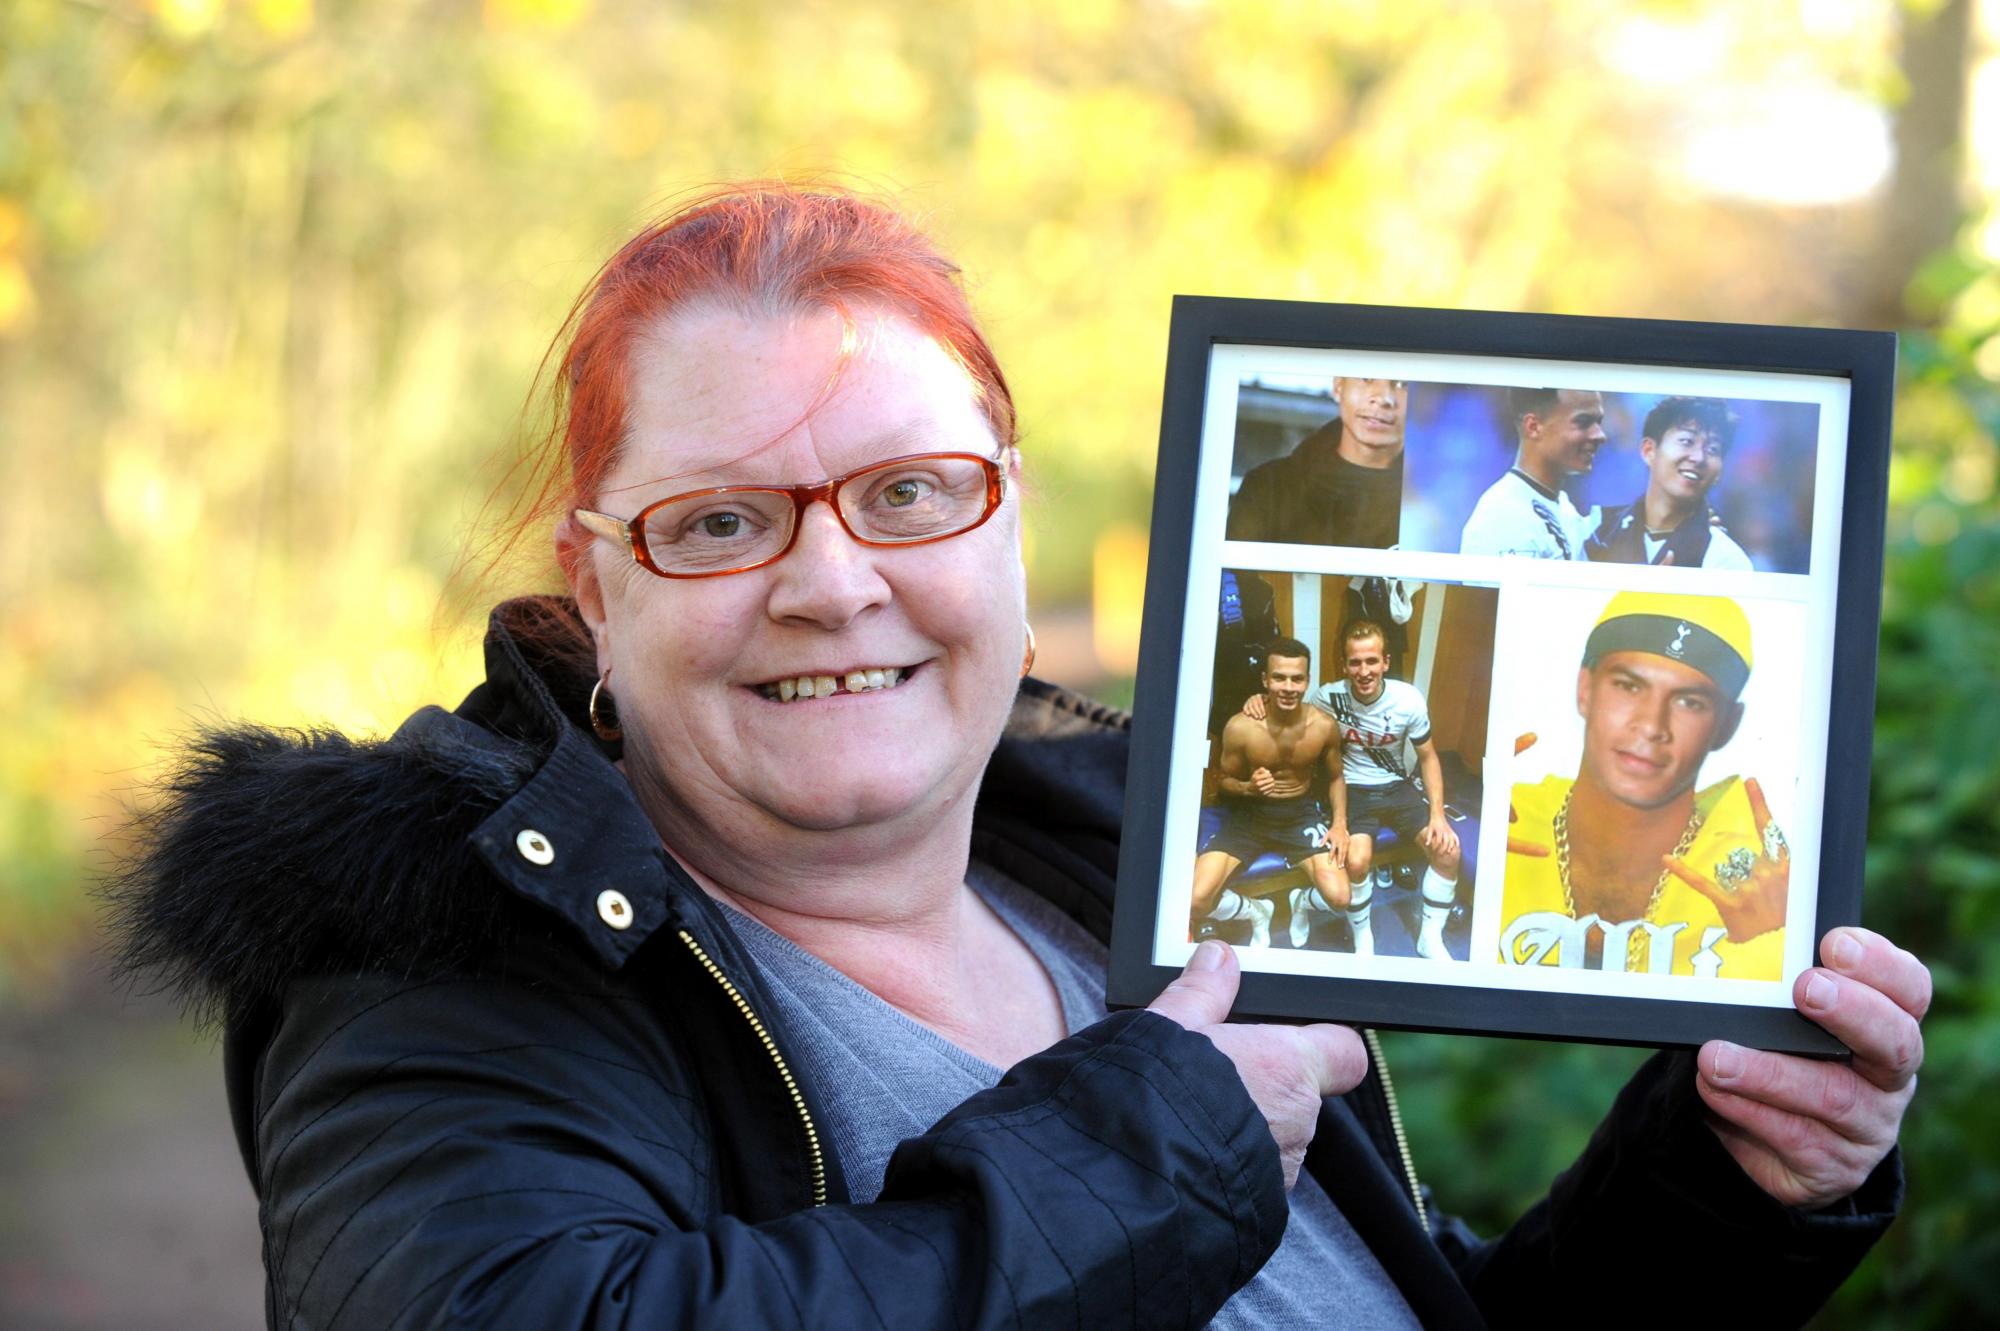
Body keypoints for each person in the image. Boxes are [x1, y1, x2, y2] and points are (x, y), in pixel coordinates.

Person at [108, 187, 1924, 1329]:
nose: (835, 582)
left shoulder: (1144, 872)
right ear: (598, 581)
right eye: (724, 520)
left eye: (911, 491)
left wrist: (1724, 1186)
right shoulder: (451, 952)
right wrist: (1152, 1153)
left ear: (1008, 520)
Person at [1501, 591, 1787, 978]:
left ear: (1727, 725)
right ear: (1585, 689)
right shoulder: (1498, 821)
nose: (1652, 725)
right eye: (1628, 686)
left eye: (1690, 702)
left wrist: (1776, 946)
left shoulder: (1766, 889)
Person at [1243, 621, 1461, 959]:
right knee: (1357, 861)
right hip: (1354, 789)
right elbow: (1288, 707)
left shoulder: (1408, 700)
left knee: (1448, 852)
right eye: (1355, 662)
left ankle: (1429, 938)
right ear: (1345, 665)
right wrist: (1259, 699)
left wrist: (1437, 815)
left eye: (1372, 661)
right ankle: (1363, 937)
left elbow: (1429, 757)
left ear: (1386, 662)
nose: (1364, 671)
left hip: (1398, 787)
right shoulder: (1328, 698)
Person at [1191, 637, 1348, 949]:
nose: (1288, 687)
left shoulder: (1323, 726)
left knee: (1340, 897)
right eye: (1279, 678)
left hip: (1299, 815)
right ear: (1265, 680)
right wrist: (1247, 787)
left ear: (1307, 681)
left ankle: (1301, 902)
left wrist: (1340, 823)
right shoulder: (1240, 727)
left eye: (1297, 679)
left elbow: (1336, 777)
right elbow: (1223, 781)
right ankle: (1255, 911)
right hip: (1250, 817)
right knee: (1194, 901)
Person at [1227, 376, 1405, 547]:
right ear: (1338, 386)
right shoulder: (1267, 487)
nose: (1384, 399)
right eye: (1366, 378)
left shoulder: (1421, 501)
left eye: (1402, 383)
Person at [1587, 395, 1755, 570]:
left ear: (1719, 472)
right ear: (1649, 451)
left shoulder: (1727, 561)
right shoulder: (1594, 530)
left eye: (1713, 449)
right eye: (1687, 441)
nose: (1699, 457)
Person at [1459, 386, 1606, 558]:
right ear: (1534, 427)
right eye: (1583, 422)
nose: (1600, 435)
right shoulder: (1505, 517)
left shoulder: (1563, 507)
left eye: (1599, 422)